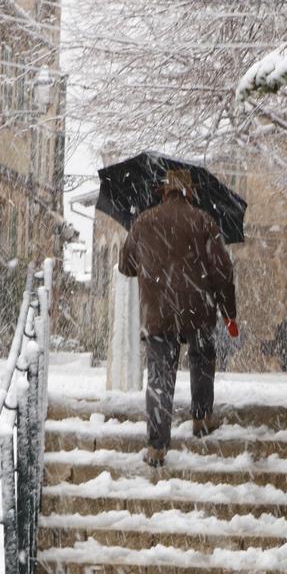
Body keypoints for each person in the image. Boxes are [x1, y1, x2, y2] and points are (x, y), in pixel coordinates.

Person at [118, 166, 238, 466]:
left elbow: (126, 266)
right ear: (191, 192)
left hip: (158, 311)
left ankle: (157, 445)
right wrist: (229, 312)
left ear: (163, 191)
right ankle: (201, 418)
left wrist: (150, 260)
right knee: (202, 357)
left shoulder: (144, 221)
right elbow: (222, 271)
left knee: (160, 374)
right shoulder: (204, 221)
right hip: (198, 308)